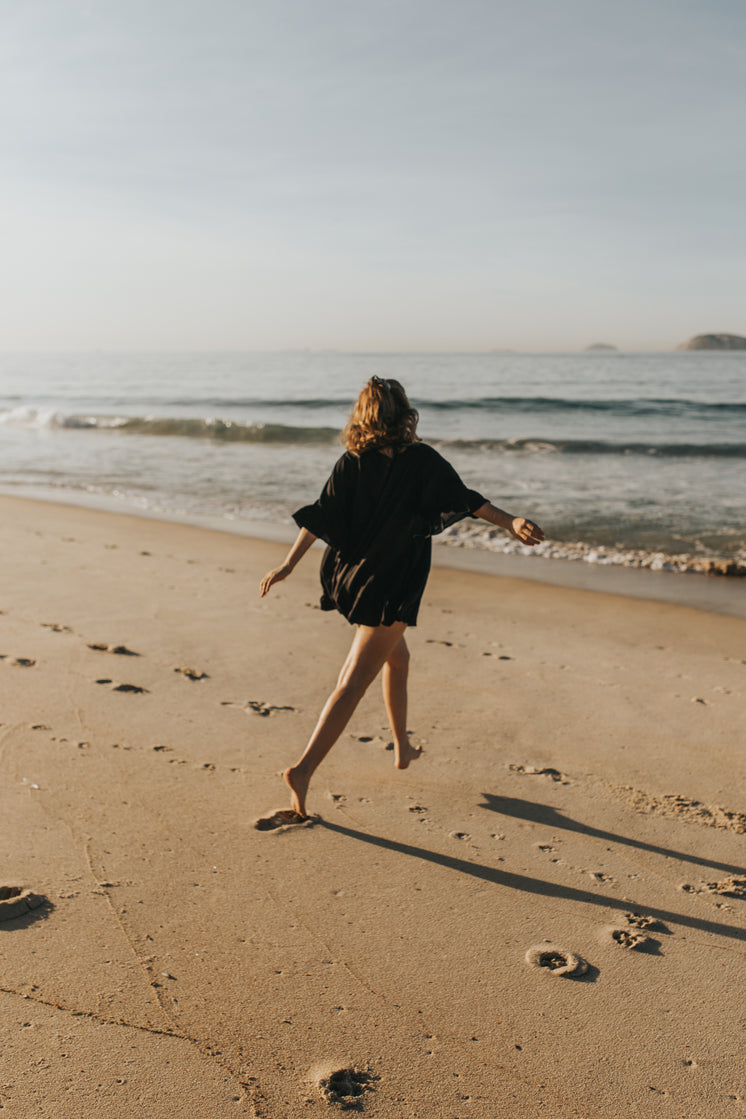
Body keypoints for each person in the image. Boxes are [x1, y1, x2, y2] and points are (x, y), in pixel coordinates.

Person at [259, 376, 544, 818]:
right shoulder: (421, 460)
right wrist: (510, 522)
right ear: (404, 414)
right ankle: (302, 769)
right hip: (392, 584)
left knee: (398, 657)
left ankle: (403, 746)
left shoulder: (352, 461)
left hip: (351, 576)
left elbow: (320, 517)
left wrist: (290, 564)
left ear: (365, 414)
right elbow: (468, 501)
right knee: (352, 683)